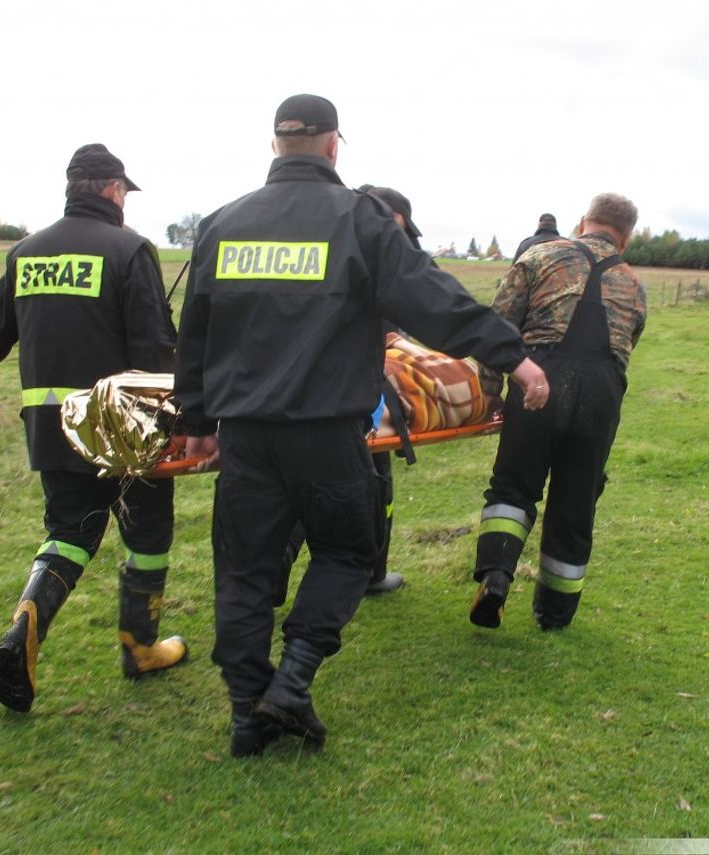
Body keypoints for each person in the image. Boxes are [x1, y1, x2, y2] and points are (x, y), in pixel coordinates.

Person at [173, 94, 549, 757]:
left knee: (244, 570)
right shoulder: (357, 219)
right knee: (349, 551)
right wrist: (512, 357)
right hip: (326, 432)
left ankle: (245, 712)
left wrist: (197, 418)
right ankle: (289, 682)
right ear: (333, 145)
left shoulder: (222, 223)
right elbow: (435, 301)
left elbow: (195, 333)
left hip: (246, 437)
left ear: (274, 145)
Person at [0, 144, 188, 714]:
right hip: (126, 428)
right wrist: (179, 417)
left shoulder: (27, 251)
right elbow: (154, 347)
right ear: (112, 190)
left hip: (53, 428)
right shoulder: (130, 250)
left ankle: (24, 628)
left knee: (69, 533)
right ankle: (141, 647)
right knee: (148, 533)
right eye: (124, 193)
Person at [470, 193, 646, 632]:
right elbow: (629, 343)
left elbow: (499, 325)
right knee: (576, 501)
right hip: (602, 392)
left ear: (583, 220)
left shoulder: (539, 256)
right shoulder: (633, 283)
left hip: (539, 379)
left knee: (513, 486)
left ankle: (496, 577)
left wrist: (490, 392)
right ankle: (555, 615)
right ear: (627, 237)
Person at [276, 184, 423, 598]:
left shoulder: (325, 240)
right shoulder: (365, 251)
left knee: (337, 481)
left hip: (321, 386)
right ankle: (363, 571)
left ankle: (293, 560)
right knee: (355, 482)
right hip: (355, 390)